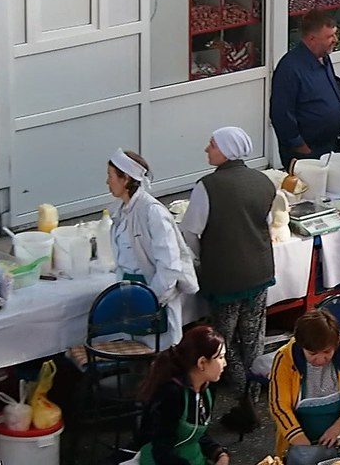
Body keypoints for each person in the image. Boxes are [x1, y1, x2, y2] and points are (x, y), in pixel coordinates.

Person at [180, 127, 276, 432]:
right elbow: (268, 223)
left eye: (212, 145)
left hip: (224, 275)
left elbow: (190, 232)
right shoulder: (264, 182)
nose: (206, 149)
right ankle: (253, 390)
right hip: (259, 271)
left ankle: (238, 388)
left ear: (226, 150)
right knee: (253, 335)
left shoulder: (207, 186)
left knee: (223, 336)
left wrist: (201, 257)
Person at [107, 149, 199, 346]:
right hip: (131, 294)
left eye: (111, 176)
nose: (107, 181)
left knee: (159, 357)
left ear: (125, 180)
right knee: (135, 352)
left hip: (154, 296)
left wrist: (151, 300)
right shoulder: (120, 211)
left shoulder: (152, 212)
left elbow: (169, 265)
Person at [269, 310, 340, 465]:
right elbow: (278, 406)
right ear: (300, 345)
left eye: (327, 352)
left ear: (336, 344)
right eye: (312, 353)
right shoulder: (284, 358)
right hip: (299, 443)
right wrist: (302, 444)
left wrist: (339, 426)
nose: (320, 359)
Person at [132, 325, 229, 465]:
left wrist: (219, 454)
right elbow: (161, 451)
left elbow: (198, 435)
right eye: (220, 357)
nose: (224, 363)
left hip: (194, 458)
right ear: (202, 363)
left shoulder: (207, 389)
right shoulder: (172, 395)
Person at [271, 10, 340, 168]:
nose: (335, 40)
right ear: (312, 38)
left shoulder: (324, 58)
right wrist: (299, 146)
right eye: (329, 36)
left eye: (335, 34)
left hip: (331, 146)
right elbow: (281, 113)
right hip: (307, 152)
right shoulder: (290, 68)